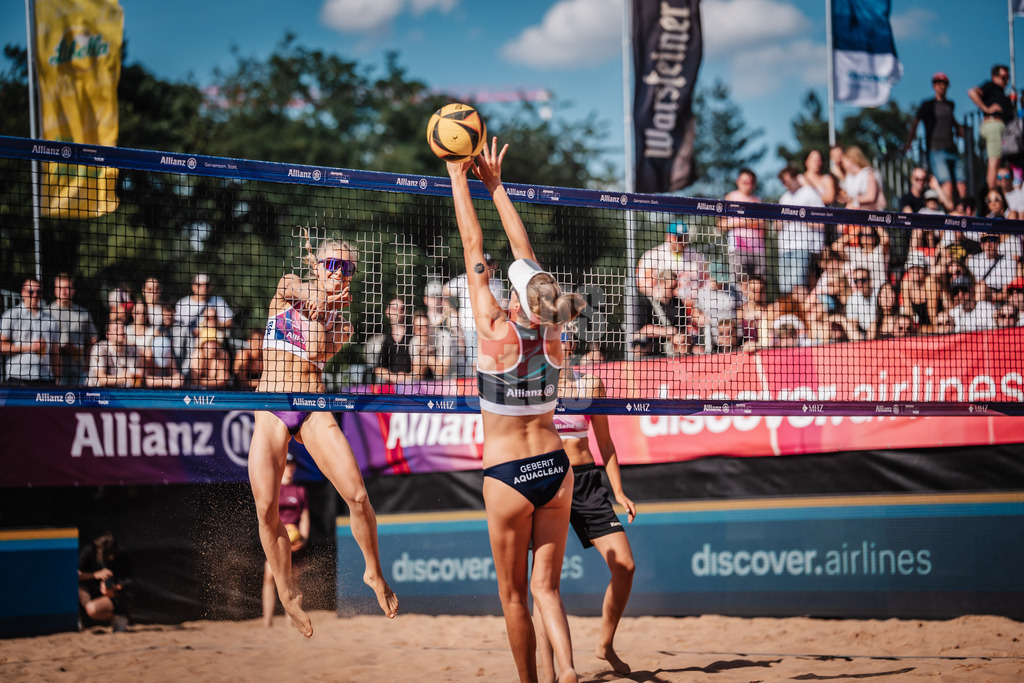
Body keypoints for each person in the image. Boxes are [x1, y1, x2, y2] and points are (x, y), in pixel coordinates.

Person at [447, 138, 585, 683]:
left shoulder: (493, 330)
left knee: (512, 599)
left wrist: (461, 179)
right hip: (555, 468)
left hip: (506, 475)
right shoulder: (553, 332)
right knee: (546, 588)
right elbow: (526, 258)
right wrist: (498, 186)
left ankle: (533, 682)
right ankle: (567, 669)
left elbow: (472, 240)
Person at [251, 234, 397, 638]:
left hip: (312, 406)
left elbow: (318, 344)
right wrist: (310, 293)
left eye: (347, 268)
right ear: (315, 266)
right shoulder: (287, 288)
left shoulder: (343, 324)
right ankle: (286, 590)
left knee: (358, 495)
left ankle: (373, 572)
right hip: (272, 402)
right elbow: (290, 287)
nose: (340, 273)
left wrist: (328, 307)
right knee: (266, 507)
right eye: (332, 265)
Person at [535, 325, 636, 680]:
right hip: (548, 481)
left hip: (587, 483)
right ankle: (548, 672)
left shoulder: (589, 384)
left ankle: (605, 644)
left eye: (568, 335)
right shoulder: (534, 384)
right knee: (545, 585)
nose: (564, 340)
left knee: (625, 565)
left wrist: (619, 491)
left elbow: (606, 444)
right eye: (557, 334)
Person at [904, 72, 967, 203]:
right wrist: (909, 143)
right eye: (937, 83)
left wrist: (959, 128)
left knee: (962, 185)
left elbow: (951, 120)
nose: (940, 86)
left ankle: (965, 214)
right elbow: (915, 123)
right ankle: (951, 216)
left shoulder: (950, 105)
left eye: (943, 83)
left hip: (952, 149)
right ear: (934, 86)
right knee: (946, 184)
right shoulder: (927, 105)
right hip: (936, 149)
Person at [263, 452, 310, 628]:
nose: (289, 468)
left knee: (292, 581)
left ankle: (291, 622)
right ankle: (267, 622)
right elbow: (266, 516)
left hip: (295, 541)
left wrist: (303, 539)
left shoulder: (300, 490)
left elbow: (305, 516)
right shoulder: (273, 488)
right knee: (269, 578)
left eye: (291, 465)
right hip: (276, 539)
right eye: (286, 464)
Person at [444, 253, 506, 377]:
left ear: (494, 265)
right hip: (471, 327)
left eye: (489, 264)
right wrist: (451, 311)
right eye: (485, 264)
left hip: (493, 329)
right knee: (475, 361)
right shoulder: (467, 278)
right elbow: (445, 290)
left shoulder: (498, 283)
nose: (488, 267)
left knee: (493, 360)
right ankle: (479, 385)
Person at [0, 277, 60, 386]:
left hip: (45, 378)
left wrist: (58, 380)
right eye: (31, 291)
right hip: (18, 376)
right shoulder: (11, 315)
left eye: (39, 291)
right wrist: (30, 347)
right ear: (23, 293)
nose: (35, 294)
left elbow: (55, 353)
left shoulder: (51, 319)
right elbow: (1, 346)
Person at [777, 165, 826, 294]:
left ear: (795, 178)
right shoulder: (784, 198)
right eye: (783, 182)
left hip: (803, 246)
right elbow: (777, 225)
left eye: (787, 181)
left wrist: (798, 218)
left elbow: (822, 222)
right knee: (784, 287)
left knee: (798, 284)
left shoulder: (810, 193)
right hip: (785, 248)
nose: (785, 185)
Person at [174, 272, 233, 376]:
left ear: (210, 287)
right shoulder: (183, 303)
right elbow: (177, 325)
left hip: (213, 341)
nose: (203, 287)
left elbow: (229, 322)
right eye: (199, 285)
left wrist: (212, 325)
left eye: (206, 285)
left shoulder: (218, 301)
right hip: (190, 342)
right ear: (193, 286)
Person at [968, 64, 1014, 191]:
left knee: (1001, 161)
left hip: (1002, 128)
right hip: (994, 125)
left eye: (1008, 78)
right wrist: (986, 109)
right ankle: (992, 194)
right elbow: (972, 92)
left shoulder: (1000, 93)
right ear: (994, 76)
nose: (1007, 81)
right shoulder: (990, 86)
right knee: (994, 160)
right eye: (1004, 77)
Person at [46, 273, 96, 387]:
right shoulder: (46, 313)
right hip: (54, 371)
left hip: (79, 371)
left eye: (67, 288)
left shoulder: (83, 313)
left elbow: (92, 340)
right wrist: (59, 348)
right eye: (60, 288)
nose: (63, 291)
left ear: (73, 290)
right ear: (55, 290)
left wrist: (87, 364)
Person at [78, 531, 131, 631]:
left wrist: (115, 588)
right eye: (105, 554)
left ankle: (118, 616)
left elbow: (127, 579)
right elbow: (74, 575)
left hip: (112, 596)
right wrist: (94, 575)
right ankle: (77, 619)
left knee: (93, 609)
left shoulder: (122, 554)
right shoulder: (89, 552)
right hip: (90, 593)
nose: (109, 557)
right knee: (76, 588)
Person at [722, 168, 766, 279]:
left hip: (758, 249)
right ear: (738, 181)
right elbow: (721, 224)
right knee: (739, 282)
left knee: (759, 284)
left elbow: (763, 225)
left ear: (754, 184)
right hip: (738, 247)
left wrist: (744, 221)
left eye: (749, 182)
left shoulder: (757, 200)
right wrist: (746, 221)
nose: (747, 185)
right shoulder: (730, 197)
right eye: (744, 181)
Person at [88, 319, 144, 387]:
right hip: (96, 392)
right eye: (116, 329)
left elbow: (138, 376)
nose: (121, 331)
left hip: (123, 392)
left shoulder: (132, 350)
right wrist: (122, 378)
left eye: (122, 328)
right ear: (108, 335)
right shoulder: (100, 348)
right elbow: (101, 379)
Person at [373, 297, 413, 384]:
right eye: (394, 309)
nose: (398, 311)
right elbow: (378, 369)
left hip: (415, 385)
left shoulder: (414, 334)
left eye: (402, 308)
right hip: (394, 387)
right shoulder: (386, 339)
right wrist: (394, 377)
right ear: (387, 312)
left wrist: (408, 376)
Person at [841, 146, 886, 211]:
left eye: (844, 161)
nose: (843, 165)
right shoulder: (849, 177)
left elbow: (871, 197)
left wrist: (853, 199)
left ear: (851, 160)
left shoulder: (868, 173)